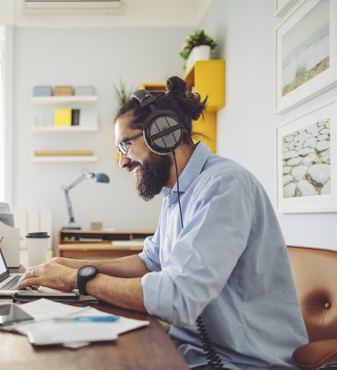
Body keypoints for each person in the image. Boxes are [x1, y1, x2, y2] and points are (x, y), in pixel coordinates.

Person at [17, 76, 309, 370]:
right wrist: (71, 265)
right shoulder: (175, 193)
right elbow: (150, 262)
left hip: (244, 363)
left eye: (124, 146)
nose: (122, 162)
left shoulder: (224, 186)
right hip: (189, 352)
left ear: (162, 133)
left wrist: (78, 281)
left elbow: (178, 299)